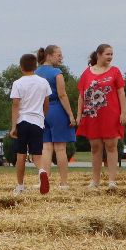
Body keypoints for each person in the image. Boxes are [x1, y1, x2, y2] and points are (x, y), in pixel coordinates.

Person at [76, 44, 126, 191]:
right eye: (107, 54)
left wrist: (123, 113)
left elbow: (121, 93)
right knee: (95, 148)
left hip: (111, 115)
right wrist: (79, 115)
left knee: (111, 146)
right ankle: (95, 181)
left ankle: (112, 181)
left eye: (112, 54)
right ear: (99, 55)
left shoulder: (115, 72)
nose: (110, 57)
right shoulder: (87, 73)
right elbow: (81, 96)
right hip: (92, 115)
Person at [8, 53, 53, 194]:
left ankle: (20, 186)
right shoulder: (43, 82)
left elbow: (16, 105)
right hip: (37, 122)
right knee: (37, 155)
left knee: (21, 155)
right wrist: (42, 117)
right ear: (35, 66)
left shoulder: (18, 83)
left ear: (21, 67)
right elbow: (46, 104)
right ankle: (42, 171)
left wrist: (14, 126)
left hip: (22, 121)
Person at [34, 45, 78, 190]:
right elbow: (62, 94)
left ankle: (44, 180)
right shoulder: (56, 73)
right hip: (56, 109)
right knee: (60, 149)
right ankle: (63, 183)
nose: (61, 58)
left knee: (46, 148)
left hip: (41, 111)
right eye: (59, 55)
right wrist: (71, 114)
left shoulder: (36, 72)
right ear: (49, 55)